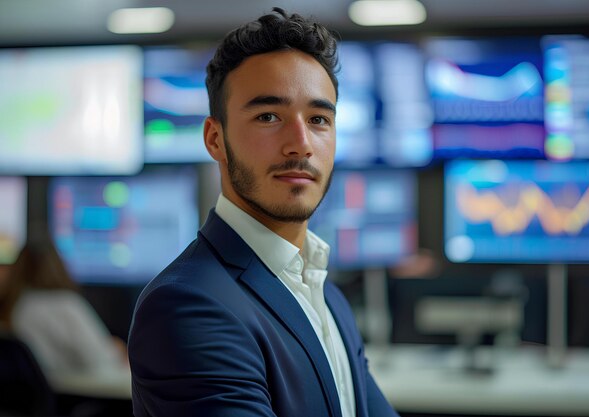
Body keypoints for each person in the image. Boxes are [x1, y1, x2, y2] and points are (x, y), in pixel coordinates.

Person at [128, 7, 399, 417]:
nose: (301, 143)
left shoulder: (326, 295)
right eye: (268, 116)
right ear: (215, 139)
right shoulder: (187, 304)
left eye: (319, 119)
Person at [0, 238, 129, 377]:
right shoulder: (66, 305)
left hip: (34, 396)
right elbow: (99, 361)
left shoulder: (14, 307)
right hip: (79, 394)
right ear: (58, 265)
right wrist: (115, 351)